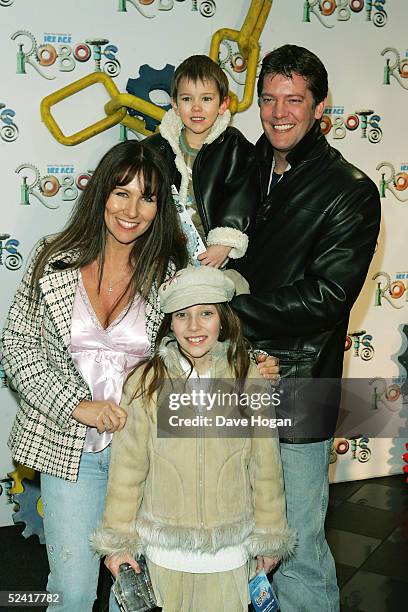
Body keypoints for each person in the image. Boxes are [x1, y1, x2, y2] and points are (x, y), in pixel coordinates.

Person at [0, 140, 188, 611]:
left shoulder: (170, 275)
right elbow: (18, 347)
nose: (132, 209)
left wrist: (249, 364)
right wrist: (75, 404)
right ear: (101, 193)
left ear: (159, 207)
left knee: (145, 589)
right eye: (121, 193)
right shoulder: (54, 260)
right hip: (70, 450)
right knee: (74, 589)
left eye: (147, 197)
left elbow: (194, 353)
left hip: (144, 454)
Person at [230, 45, 381, 611]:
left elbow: (328, 296)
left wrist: (227, 312)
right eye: (268, 99)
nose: (278, 112)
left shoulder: (350, 188)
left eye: (294, 100)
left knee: (294, 543)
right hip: (231, 374)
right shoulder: (245, 166)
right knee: (234, 529)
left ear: (320, 107)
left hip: (300, 383)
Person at [92, 265, 296, 612]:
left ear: (223, 319)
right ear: (169, 322)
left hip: (231, 555)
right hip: (164, 557)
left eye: (206, 313)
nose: (195, 326)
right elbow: (128, 470)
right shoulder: (146, 383)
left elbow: (266, 466)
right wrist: (118, 541)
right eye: (183, 315)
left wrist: (271, 535)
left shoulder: (248, 378)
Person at [146, 54, 260, 268]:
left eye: (206, 99)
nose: (196, 107)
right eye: (187, 99)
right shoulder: (157, 148)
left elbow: (241, 198)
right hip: (164, 252)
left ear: (223, 104)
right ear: (175, 104)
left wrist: (224, 243)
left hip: (213, 255)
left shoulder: (236, 148)